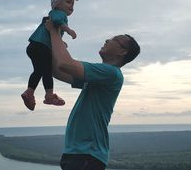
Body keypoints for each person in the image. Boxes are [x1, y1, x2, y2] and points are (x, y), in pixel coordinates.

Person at [45, 18, 140, 170]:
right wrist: (52, 46)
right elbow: (56, 70)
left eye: (114, 39)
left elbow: (64, 64)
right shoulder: (98, 77)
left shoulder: (111, 73)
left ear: (122, 51)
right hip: (78, 154)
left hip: (87, 155)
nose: (107, 39)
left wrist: (53, 31)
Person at [21, 0, 78, 111]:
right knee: (44, 71)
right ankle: (47, 95)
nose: (71, 6)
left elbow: (52, 34)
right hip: (41, 46)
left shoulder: (53, 14)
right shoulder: (59, 14)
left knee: (41, 70)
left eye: (73, 4)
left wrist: (60, 43)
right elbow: (57, 21)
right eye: (68, 2)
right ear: (57, 5)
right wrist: (68, 30)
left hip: (35, 46)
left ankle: (32, 92)